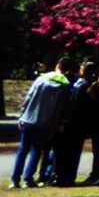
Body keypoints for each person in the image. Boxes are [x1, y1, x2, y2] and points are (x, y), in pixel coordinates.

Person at [9, 57, 74, 189]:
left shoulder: (41, 79)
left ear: (57, 66)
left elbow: (28, 98)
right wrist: (53, 128)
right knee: (36, 151)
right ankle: (28, 179)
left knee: (23, 150)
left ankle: (15, 180)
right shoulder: (65, 87)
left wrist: (22, 116)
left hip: (29, 119)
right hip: (45, 123)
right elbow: (59, 110)